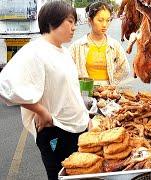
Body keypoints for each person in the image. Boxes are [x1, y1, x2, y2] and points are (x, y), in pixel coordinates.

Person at [0, 1, 89, 179]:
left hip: (77, 127)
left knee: (80, 174)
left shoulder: (63, 51)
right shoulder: (35, 51)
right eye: (70, 21)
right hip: (56, 129)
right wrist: (41, 111)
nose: (74, 27)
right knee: (59, 175)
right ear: (52, 21)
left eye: (75, 22)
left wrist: (86, 119)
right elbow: (6, 85)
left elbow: (68, 90)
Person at [70, 1, 130, 86]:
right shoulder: (77, 46)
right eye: (100, 20)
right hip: (84, 92)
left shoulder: (114, 45)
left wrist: (112, 83)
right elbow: (66, 70)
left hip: (107, 94)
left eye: (108, 20)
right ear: (90, 20)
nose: (105, 25)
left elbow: (125, 68)